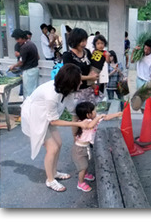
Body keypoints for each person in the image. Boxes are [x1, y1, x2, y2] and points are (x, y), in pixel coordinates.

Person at [20, 63, 90, 192]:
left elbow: (72, 109)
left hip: (46, 116)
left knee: (59, 143)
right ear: (70, 82)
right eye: (79, 80)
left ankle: (54, 172)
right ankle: (50, 180)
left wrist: (87, 115)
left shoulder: (66, 90)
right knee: (52, 148)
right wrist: (78, 124)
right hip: (36, 116)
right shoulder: (51, 95)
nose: (81, 82)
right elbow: (54, 121)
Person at [72, 102, 122, 192]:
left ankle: (85, 174)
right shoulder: (83, 122)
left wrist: (116, 114)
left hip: (85, 147)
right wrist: (98, 117)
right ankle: (80, 183)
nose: (96, 112)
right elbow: (90, 125)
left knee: (86, 162)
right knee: (83, 167)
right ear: (88, 114)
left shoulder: (93, 119)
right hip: (79, 149)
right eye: (94, 110)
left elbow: (106, 117)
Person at [62, 28, 100, 105]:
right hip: (76, 92)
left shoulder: (87, 52)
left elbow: (91, 68)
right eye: (82, 41)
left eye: (85, 41)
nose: (84, 44)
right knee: (79, 114)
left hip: (89, 90)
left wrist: (93, 84)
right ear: (75, 41)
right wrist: (90, 78)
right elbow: (71, 76)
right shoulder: (68, 55)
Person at [9, 29, 40, 99]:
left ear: (22, 37)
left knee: (28, 93)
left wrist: (14, 66)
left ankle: (28, 109)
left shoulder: (25, 47)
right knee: (34, 92)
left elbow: (21, 62)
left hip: (29, 71)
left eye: (17, 39)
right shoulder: (31, 44)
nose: (17, 41)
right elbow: (38, 57)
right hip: (34, 70)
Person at [130, 39, 151, 112]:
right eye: (145, 48)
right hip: (139, 79)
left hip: (146, 81)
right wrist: (134, 51)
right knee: (140, 99)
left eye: (148, 50)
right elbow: (132, 61)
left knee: (145, 101)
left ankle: (145, 115)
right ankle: (143, 115)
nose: (146, 51)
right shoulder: (140, 53)